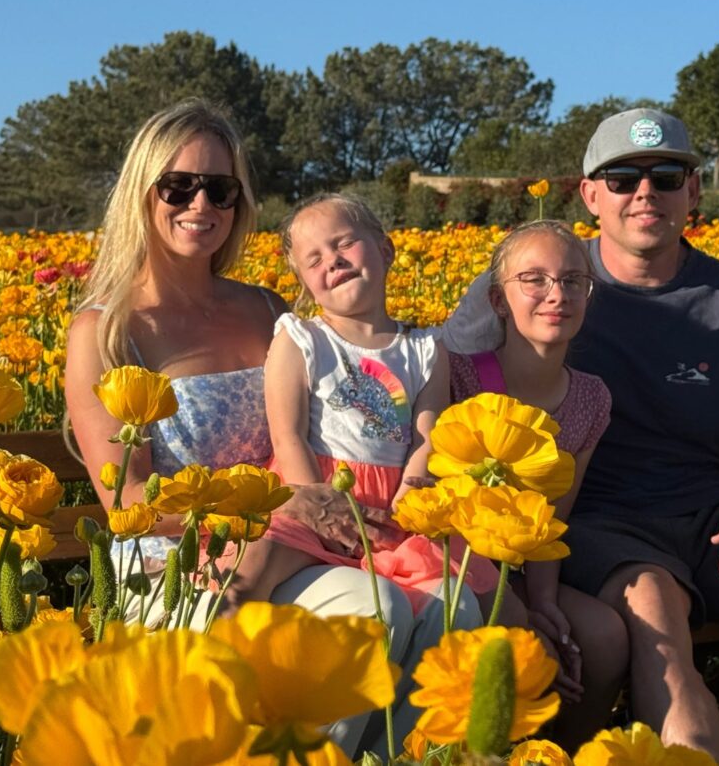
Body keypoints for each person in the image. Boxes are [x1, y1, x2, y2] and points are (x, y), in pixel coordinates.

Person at [442, 108, 719, 766]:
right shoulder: (544, 280)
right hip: (599, 523)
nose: (646, 192)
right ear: (589, 195)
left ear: (693, 192)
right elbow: (440, 384)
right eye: (622, 179)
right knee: (652, 600)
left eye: (667, 176)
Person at [233, 193, 487, 758]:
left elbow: (426, 440)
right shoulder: (302, 339)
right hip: (311, 499)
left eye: (345, 242)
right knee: (301, 588)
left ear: (386, 248)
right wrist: (320, 506)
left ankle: (396, 747)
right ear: (302, 279)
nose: (333, 260)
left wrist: (411, 501)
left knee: (460, 607)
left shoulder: (424, 348)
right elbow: (288, 436)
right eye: (314, 258)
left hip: (390, 512)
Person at [64, 98, 289, 625]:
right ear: (142, 194)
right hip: (172, 568)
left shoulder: (267, 310)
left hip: (285, 547)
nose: (201, 203)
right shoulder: (106, 332)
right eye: (179, 185)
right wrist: (259, 509)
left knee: (389, 606)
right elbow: (127, 506)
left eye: (220, 188)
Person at [447, 219, 628, 748]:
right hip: (457, 567)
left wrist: (544, 600)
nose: (557, 295)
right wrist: (521, 612)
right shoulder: (457, 375)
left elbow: (553, 517)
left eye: (574, 281)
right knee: (537, 656)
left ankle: (561, 754)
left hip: (524, 569)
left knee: (604, 637)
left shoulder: (592, 398)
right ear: (498, 301)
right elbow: (444, 509)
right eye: (534, 280)